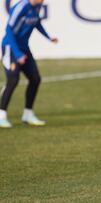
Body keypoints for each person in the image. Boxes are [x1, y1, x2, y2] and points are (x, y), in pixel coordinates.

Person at [0, 0, 58, 128]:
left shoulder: (37, 7)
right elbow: (9, 30)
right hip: (11, 47)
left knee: (35, 79)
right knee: (13, 80)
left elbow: (37, 23)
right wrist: (17, 53)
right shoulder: (21, 7)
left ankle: (28, 114)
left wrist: (48, 37)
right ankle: (1, 116)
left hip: (24, 49)